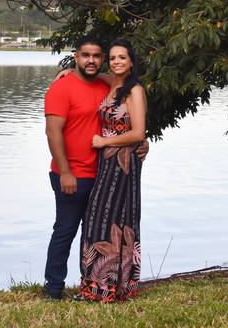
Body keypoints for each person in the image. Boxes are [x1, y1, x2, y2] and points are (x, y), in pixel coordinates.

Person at [42, 36, 111, 300]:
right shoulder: (62, 88)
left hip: (104, 175)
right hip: (71, 175)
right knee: (66, 230)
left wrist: (142, 142)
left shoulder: (106, 86)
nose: (91, 60)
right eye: (85, 55)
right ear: (76, 56)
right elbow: (52, 132)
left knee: (94, 235)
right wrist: (66, 172)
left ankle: (90, 286)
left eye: (96, 55)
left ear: (102, 58)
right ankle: (54, 288)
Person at [77, 39, 146, 302]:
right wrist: (67, 73)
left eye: (122, 58)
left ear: (131, 62)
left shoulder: (134, 90)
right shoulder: (112, 84)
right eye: (113, 57)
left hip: (123, 161)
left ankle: (114, 285)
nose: (117, 62)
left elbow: (138, 132)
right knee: (97, 217)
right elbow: (94, 73)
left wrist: (105, 141)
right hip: (106, 161)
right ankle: (94, 284)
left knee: (114, 219)